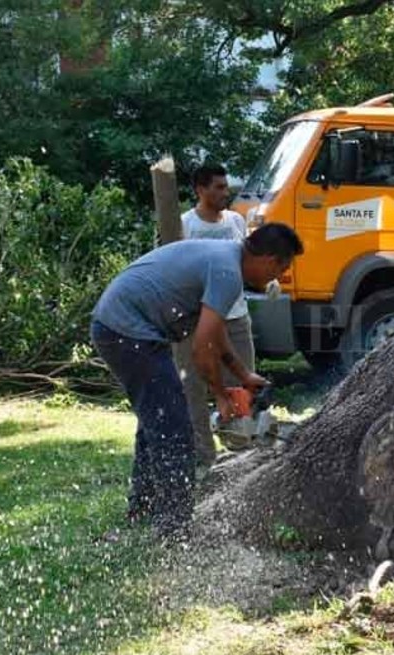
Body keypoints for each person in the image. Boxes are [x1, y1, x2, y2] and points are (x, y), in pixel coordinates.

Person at [90, 223, 303, 536]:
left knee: (157, 417)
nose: (279, 276)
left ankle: (144, 507)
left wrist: (242, 374)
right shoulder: (227, 272)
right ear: (269, 259)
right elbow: (202, 349)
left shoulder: (226, 260)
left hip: (119, 324)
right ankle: (174, 528)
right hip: (126, 328)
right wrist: (220, 394)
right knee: (174, 425)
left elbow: (212, 331)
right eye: (281, 268)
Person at [173, 164, 256, 471]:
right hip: (196, 320)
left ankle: (239, 455)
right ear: (200, 190)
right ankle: (203, 457)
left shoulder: (236, 221)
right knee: (193, 387)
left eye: (226, 187)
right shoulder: (183, 225)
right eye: (218, 187)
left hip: (236, 318)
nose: (226, 192)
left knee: (242, 387)